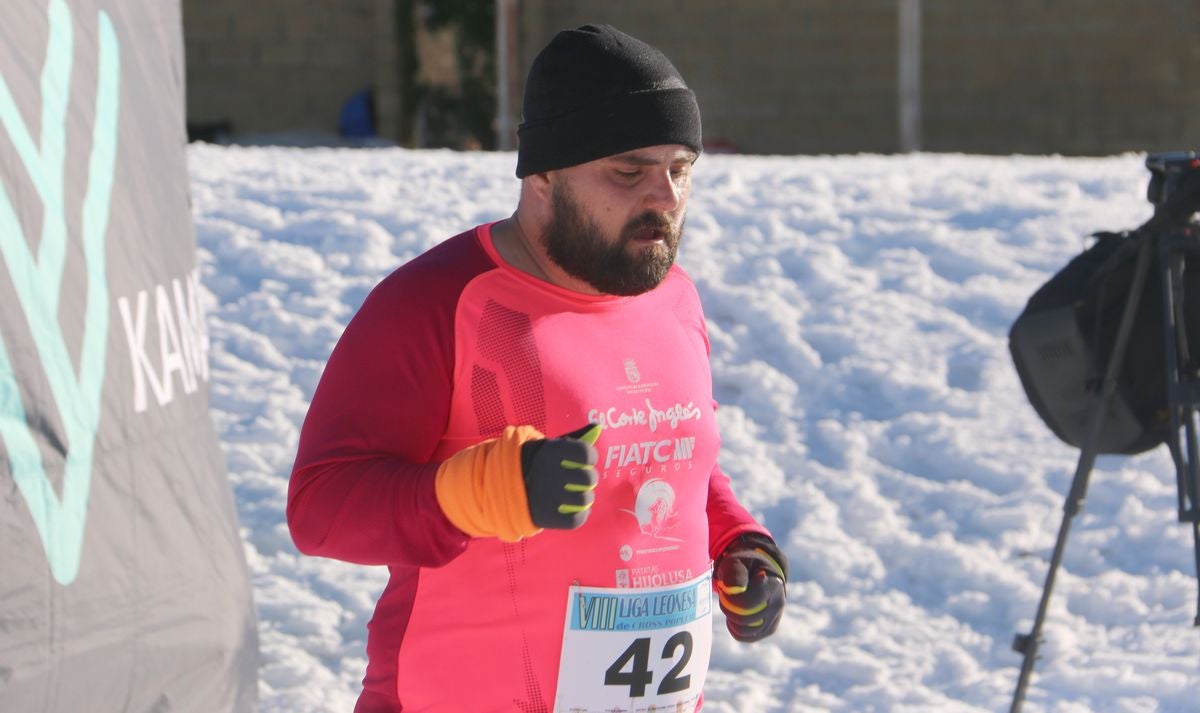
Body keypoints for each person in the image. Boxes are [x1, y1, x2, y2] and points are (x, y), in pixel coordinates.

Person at [287, 23, 787, 713]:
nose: (666, 197)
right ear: (545, 175)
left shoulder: (674, 300)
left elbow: (670, 454)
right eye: (629, 170)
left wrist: (739, 539)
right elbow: (320, 506)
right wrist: (480, 491)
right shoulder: (438, 301)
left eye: (680, 168)